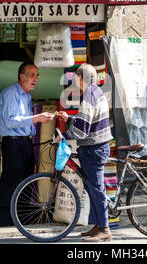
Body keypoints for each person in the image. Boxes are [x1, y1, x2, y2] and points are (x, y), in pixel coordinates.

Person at [55, 63, 113, 242]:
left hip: (94, 149)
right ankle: (97, 226)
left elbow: (83, 130)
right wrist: (70, 118)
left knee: (96, 189)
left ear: (81, 78)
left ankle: (104, 229)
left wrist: (63, 137)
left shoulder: (88, 94)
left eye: (76, 78)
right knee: (92, 186)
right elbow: (87, 120)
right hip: (95, 147)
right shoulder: (96, 91)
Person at [0, 62, 55, 227]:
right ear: (22, 76)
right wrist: (37, 118)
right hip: (13, 144)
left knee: (26, 184)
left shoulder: (26, 96)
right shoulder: (11, 93)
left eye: (37, 75)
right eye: (32, 75)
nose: (35, 79)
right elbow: (11, 121)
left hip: (25, 143)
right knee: (10, 184)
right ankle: (1, 224)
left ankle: (19, 223)